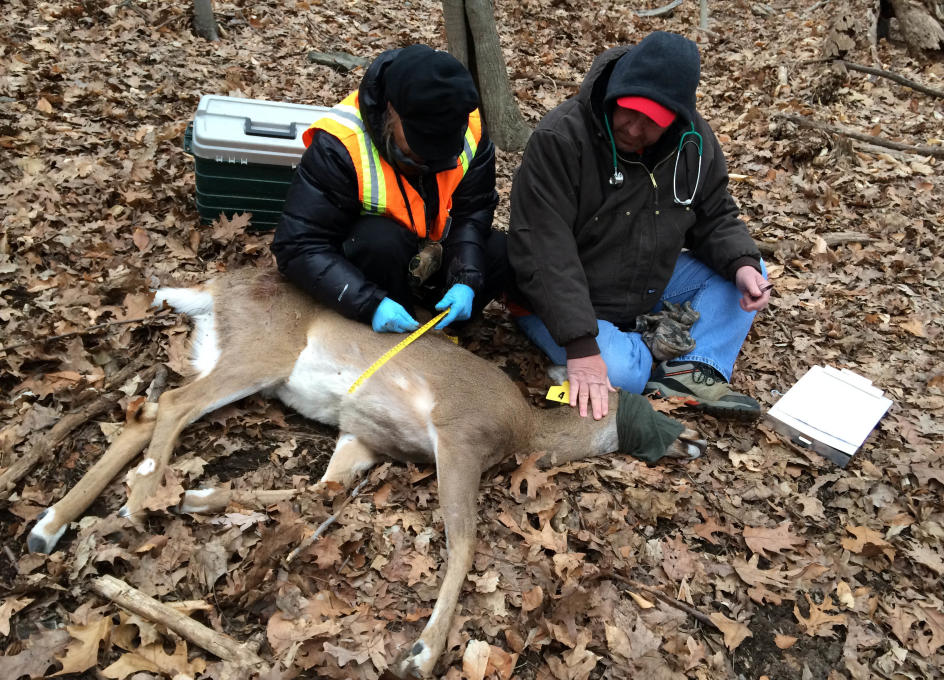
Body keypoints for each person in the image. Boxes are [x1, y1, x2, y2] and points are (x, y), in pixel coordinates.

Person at [508, 31, 771, 421]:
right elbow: (544, 250)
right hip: (563, 299)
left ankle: (691, 368)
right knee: (624, 376)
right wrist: (582, 349)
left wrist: (743, 265)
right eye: (628, 111)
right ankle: (649, 349)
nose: (633, 129)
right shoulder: (561, 137)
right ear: (615, 93)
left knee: (747, 271)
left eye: (652, 122)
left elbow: (715, 214)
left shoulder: (694, 144)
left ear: (678, 119)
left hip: (645, 282)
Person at [272, 45, 509, 333]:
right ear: (392, 109)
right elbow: (298, 245)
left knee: (499, 250)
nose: (431, 158)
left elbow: (473, 212)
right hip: (372, 265)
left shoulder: (472, 131)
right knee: (380, 241)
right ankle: (392, 327)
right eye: (421, 142)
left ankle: (445, 329)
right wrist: (368, 302)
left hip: (433, 251)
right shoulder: (340, 144)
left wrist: (466, 279)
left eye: (442, 146)